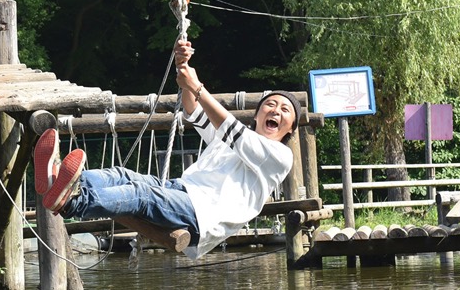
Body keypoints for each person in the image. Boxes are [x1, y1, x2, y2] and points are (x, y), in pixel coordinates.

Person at [35, 39, 297, 259]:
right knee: (120, 174)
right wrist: (184, 71)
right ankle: (60, 182)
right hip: (181, 190)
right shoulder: (231, 138)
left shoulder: (280, 156)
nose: (275, 110)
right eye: (270, 104)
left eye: (284, 110)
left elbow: (233, 131)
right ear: (258, 113)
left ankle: (72, 202)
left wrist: (197, 86)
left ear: (290, 128)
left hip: (203, 214)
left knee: (140, 194)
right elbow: (194, 110)